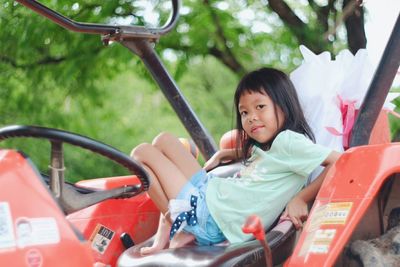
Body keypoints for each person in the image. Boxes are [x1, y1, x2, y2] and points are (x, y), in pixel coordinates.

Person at [130, 67, 341, 255]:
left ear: (283, 107)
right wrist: (224, 154)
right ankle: (173, 230)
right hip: (211, 195)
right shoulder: (271, 147)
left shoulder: (290, 142)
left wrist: (301, 198)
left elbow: (338, 161)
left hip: (211, 216)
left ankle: (175, 226)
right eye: (244, 112)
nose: (251, 117)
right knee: (164, 140)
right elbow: (258, 159)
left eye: (260, 107)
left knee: (141, 154)